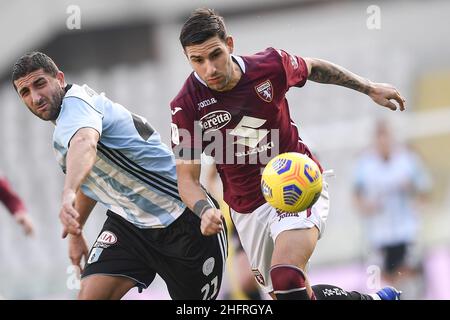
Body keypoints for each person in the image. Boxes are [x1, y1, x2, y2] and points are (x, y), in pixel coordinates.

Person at [170, 8, 405, 300]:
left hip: (296, 182)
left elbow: (313, 67)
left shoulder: (270, 65)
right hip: (246, 208)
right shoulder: (186, 106)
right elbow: (187, 179)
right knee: (288, 294)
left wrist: (369, 87)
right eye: (198, 60)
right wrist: (204, 211)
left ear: (229, 44)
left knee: (286, 274)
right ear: (188, 59)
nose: (209, 69)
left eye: (215, 55)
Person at [12, 52, 227, 300]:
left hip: (184, 218)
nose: (36, 97)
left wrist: (67, 194)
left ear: (59, 79)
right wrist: (75, 231)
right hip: (130, 226)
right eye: (25, 92)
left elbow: (85, 143)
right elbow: (91, 176)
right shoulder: (64, 128)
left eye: (40, 84)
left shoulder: (77, 105)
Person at [354, 120, 431, 298]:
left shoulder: (408, 159)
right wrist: (366, 206)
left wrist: (416, 201)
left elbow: (424, 191)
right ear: (375, 140)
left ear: (392, 138)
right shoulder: (365, 164)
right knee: (380, 277)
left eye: (386, 137)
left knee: (408, 273)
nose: (383, 142)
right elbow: (356, 195)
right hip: (378, 233)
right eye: (379, 137)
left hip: (406, 230)